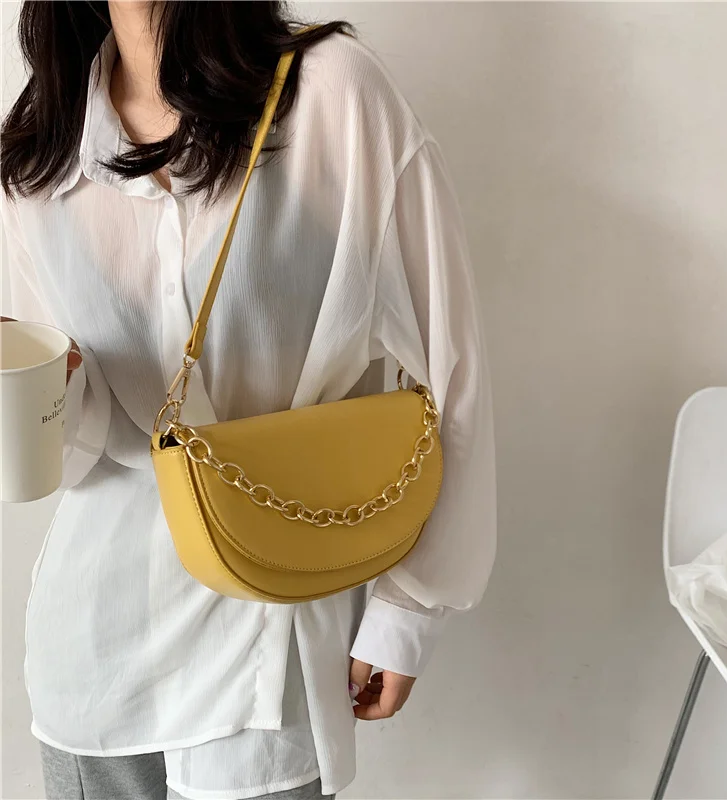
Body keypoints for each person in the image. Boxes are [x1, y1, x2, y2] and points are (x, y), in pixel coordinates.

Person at [0, 2, 496, 799]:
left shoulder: (329, 95)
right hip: (92, 650)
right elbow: (74, 447)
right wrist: (47, 393)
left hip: (268, 636)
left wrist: (413, 606)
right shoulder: (43, 141)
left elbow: (452, 366)